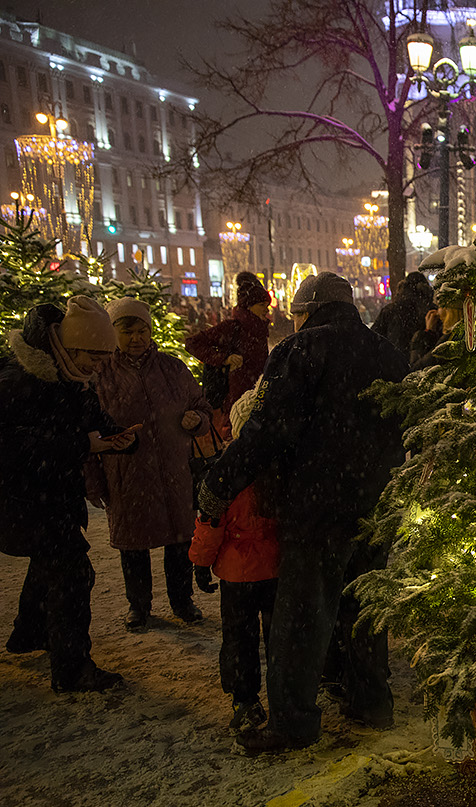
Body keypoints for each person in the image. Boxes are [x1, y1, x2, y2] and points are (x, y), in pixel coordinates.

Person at [199, 271, 408, 754]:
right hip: (375, 506)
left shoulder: (300, 352)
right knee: (363, 608)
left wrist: (218, 484)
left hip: (317, 507)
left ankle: (292, 722)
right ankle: (371, 702)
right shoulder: (389, 356)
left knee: (301, 618)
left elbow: (264, 432)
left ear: (307, 312)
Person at [0, 297, 137, 692]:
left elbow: (91, 417)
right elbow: (11, 448)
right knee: (74, 573)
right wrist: (82, 444)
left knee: (51, 563)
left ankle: (29, 632)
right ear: (67, 347)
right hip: (22, 498)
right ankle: (72, 668)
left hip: (51, 495)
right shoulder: (17, 382)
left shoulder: (71, 378)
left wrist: (117, 436)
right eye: (94, 356)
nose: (99, 365)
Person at [88, 297, 213, 631]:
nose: (136, 338)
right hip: (127, 475)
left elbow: (202, 405)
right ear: (113, 333)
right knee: (133, 546)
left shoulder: (172, 368)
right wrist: (94, 483)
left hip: (174, 472)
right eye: (127, 331)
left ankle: (182, 601)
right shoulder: (101, 376)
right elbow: (86, 433)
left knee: (179, 541)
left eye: (142, 330)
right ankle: (139, 606)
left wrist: (196, 420)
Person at [189, 381, 278, 735]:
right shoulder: (279, 468)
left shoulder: (226, 471)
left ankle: (244, 699)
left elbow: (210, 522)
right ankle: (279, 693)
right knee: (277, 635)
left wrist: (200, 562)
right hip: (274, 569)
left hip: (237, 574)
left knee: (239, 639)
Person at [184, 271, 271, 417]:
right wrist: (224, 358)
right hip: (235, 405)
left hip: (257, 400)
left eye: (267, 304)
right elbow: (192, 343)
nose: (267, 309)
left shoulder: (260, 329)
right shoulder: (231, 328)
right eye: (262, 304)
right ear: (249, 306)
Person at [370, 271, 435, 360]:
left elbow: (374, 338)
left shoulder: (391, 310)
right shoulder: (432, 311)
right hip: (424, 364)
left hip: (394, 364)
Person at [408, 296, 461, 370]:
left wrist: (427, 332)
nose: (437, 312)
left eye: (440, 307)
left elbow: (417, 368)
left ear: (448, 311)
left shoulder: (448, 340)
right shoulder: (458, 335)